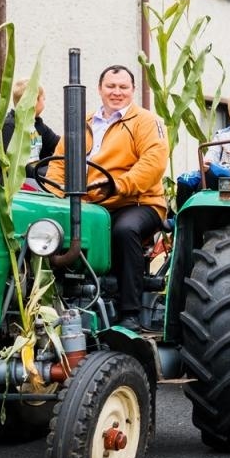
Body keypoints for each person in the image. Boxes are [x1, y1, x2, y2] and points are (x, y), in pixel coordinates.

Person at [44, 64, 168, 328]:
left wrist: (118, 186)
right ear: (100, 89)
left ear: (133, 90)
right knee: (47, 231)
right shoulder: (83, 124)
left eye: (123, 87)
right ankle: (52, 304)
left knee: (124, 230)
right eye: (111, 86)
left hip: (136, 202)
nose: (117, 92)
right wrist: (54, 194)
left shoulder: (146, 121)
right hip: (90, 205)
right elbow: (59, 164)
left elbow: (153, 163)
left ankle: (130, 313)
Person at [0, 80, 60, 188]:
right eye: (43, 99)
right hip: (14, 183)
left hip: (33, 177)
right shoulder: (10, 127)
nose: (44, 101)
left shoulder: (37, 125)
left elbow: (59, 144)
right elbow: (15, 165)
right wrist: (43, 174)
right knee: (54, 190)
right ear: (34, 101)